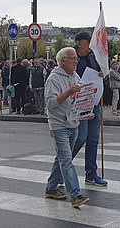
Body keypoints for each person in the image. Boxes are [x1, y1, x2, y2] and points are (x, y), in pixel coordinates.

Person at [43, 47, 90, 208]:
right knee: (66, 160)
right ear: (63, 61)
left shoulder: (75, 76)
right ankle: (75, 194)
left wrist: (85, 112)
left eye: (76, 58)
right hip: (59, 124)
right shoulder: (54, 79)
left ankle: (50, 188)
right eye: (72, 58)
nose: (76, 61)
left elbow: (78, 100)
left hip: (73, 122)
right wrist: (69, 91)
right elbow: (50, 104)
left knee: (62, 159)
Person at [71, 32, 108, 187]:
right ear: (79, 43)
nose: (90, 44)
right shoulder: (72, 58)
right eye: (88, 41)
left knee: (93, 140)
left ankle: (91, 174)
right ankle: (61, 169)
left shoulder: (93, 57)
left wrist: (101, 73)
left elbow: (99, 72)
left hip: (93, 102)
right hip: (79, 104)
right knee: (80, 138)